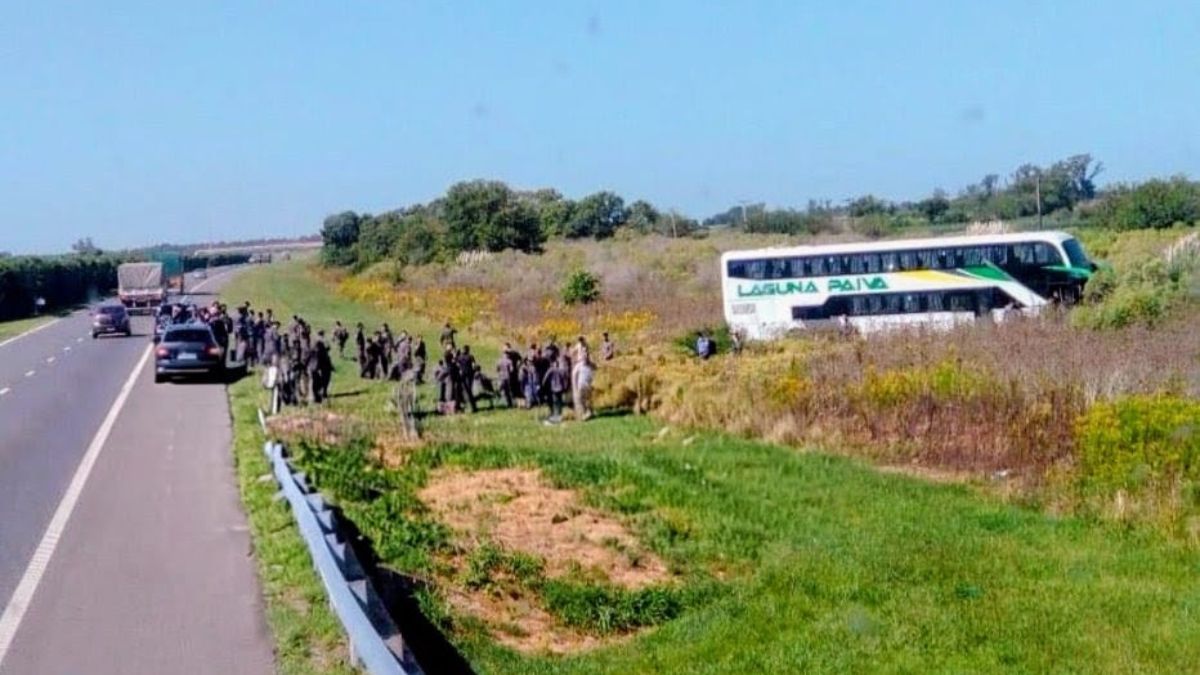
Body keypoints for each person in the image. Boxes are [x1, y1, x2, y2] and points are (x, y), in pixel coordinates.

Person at [542, 355, 569, 424]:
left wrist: (544, 385)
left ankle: (556, 414)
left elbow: (545, 378)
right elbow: (564, 379)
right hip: (560, 388)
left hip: (554, 388)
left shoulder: (551, 370)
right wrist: (565, 387)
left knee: (555, 402)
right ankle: (559, 414)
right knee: (560, 401)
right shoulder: (560, 370)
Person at [312, 330, 334, 403]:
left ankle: (322, 393)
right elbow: (328, 348)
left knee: (322, 380)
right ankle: (322, 392)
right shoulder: (322, 340)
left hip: (320, 363)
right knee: (325, 379)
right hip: (322, 363)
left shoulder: (316, 340)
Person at [455, 346, 478, 413]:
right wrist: (474, 371)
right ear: (468, 350)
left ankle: (461, 406)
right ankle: (473, 407)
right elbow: (474, 366)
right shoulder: (470, 357)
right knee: (469, 391)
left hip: (462, 375)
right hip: (469, 375)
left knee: (462, 391)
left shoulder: (459, 357)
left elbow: (456, 363)